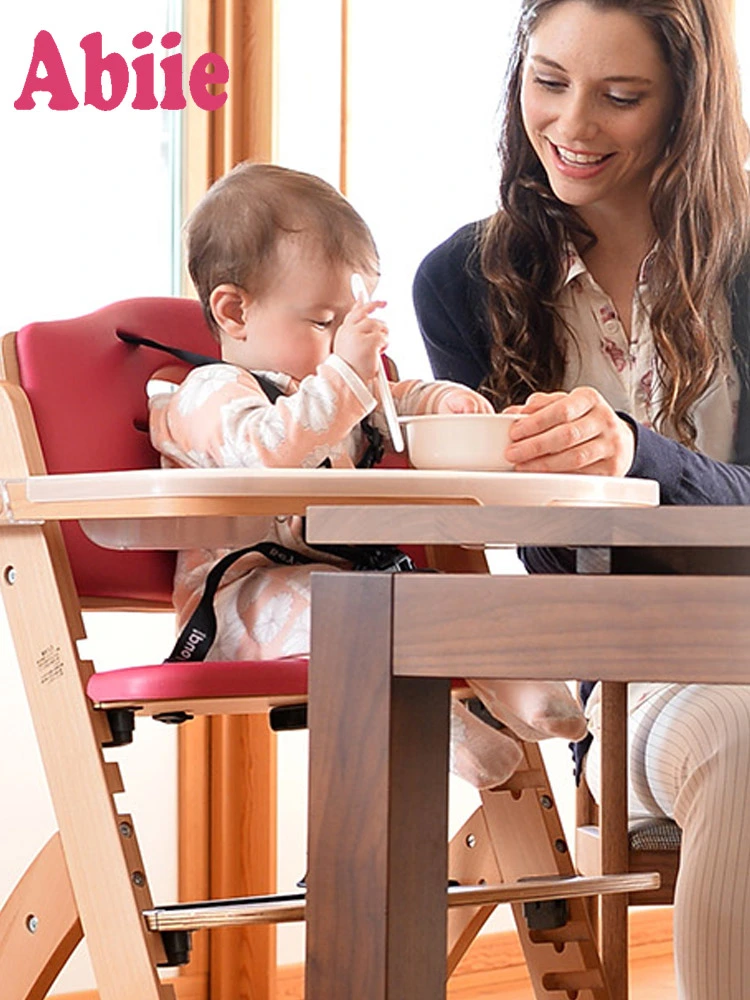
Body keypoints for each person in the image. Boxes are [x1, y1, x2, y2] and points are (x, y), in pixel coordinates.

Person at [413, 1, 750, 997]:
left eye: (621, 96)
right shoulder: (465, 282)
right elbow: (529, 545)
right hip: (645, 681)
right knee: (736, 733)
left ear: (688, 105)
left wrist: (641, 457)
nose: (572, 125)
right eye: (549, 80)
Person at [148, 161, 587, 792]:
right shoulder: (208, 395)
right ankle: (452, 733)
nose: (342, 346)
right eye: (325, 323)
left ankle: (526, 693)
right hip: (240, 606)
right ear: (234, 311)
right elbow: (266, 452)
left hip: (346, 588)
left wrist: (441, 402)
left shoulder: (326, 388)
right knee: (372, 614)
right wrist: (346, 376)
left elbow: (395, 400)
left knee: (438, 596)